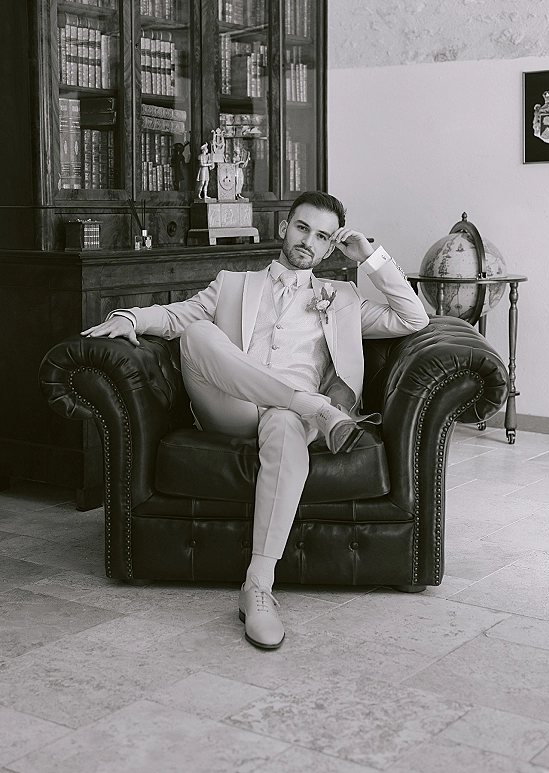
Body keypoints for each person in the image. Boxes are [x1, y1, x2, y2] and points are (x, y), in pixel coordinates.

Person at [81, 191, 429, 650]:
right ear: (284, 227)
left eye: (321, 236)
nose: (308, 241)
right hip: (233, 408)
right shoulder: (232, 284)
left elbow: (414, 318)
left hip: (289, 421)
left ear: (330, 248)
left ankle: (258, 587)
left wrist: (370, 257)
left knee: (285, 422)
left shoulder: (343, 298)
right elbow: (175, 317)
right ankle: (313, 406)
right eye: (302, 228)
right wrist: (129, 316)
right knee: (198, 332)